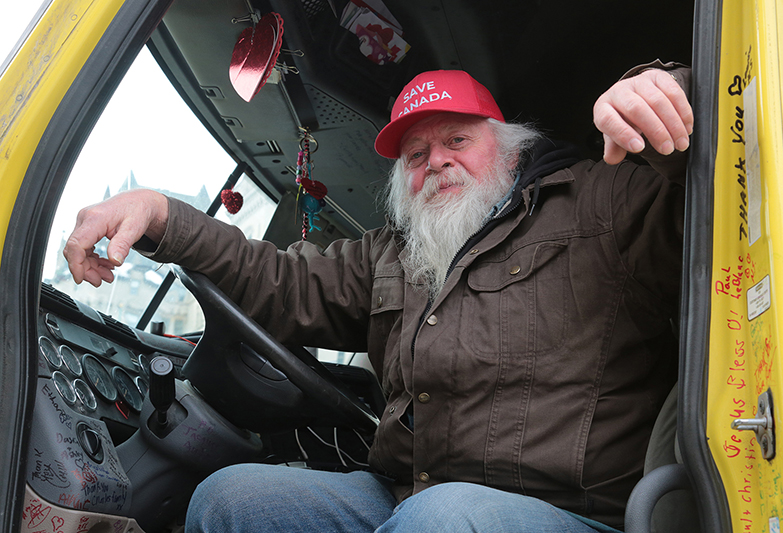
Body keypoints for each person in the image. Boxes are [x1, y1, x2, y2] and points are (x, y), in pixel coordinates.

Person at [64, 61, 693, 532]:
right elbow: (279, 282)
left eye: (457, 141)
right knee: (231, 498)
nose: (436, 162)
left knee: (445, 520)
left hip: (567, 512)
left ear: (507, 146)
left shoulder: (601, 203)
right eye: (416, 154)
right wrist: (157, 213)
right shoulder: (395, 252)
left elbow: (715, 208)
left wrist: (671, 89)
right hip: (406, 496)